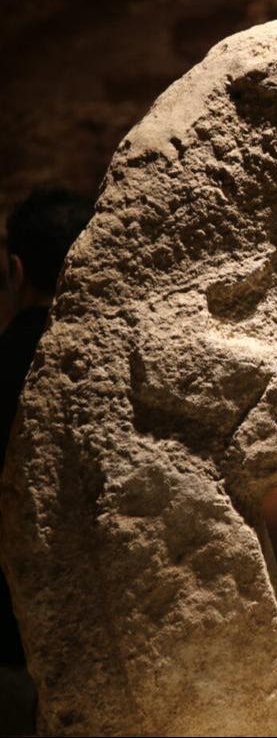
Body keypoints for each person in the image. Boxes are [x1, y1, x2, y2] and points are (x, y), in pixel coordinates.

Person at [0, 188, 93, 735]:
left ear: (14, 270)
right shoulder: (122, 380)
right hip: (109, 635)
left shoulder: (6, 368)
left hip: (8, 644)